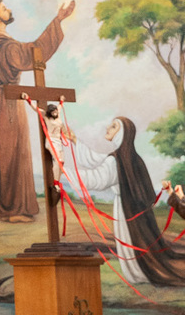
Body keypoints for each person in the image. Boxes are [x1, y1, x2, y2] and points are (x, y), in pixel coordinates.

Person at [0, 0, 76, 221]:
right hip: (10, 103)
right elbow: (36, 50)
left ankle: (7, 207)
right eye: (4, 8)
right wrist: (57, 21)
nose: (9, 10)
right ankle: (15, 210)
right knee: (13, 152)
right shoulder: (8, 47)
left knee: (5, 151)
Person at [65, 117, 185, 288]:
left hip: (126, 210)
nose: (108, 128)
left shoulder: (116, 160)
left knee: (134, 246)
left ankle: (139, 273)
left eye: (113, 127)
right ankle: (139, 272)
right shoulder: (132, 158)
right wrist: (76, 141)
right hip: (141, 213)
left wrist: (64, 171)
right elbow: (99, 159)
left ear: (122, 133)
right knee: (146, 249)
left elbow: (97, 178)